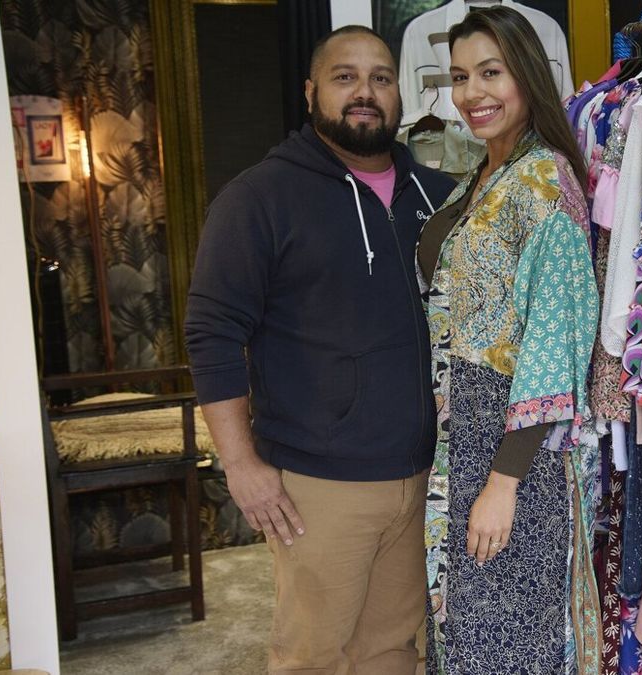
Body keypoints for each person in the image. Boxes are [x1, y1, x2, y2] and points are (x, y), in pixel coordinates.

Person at [184, 25, 454, 674]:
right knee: (312, 655)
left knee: (394, 649)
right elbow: (212, 330)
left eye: (381, 78)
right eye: (345, 77)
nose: (366, 92)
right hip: (317, 483)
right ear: (311, 92)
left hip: (423, 474)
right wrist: (242, 464)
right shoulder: (260, 198)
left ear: (399, 94)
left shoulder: (438, 198)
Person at [416, 6, 601, 673]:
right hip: (459, 435)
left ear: (525, 75)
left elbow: (556, 343)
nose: (472, 93)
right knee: (464, 631)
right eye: (461, 76)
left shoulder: (546, 181)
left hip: (512, 449)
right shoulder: (485, 175)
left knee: (508, 640)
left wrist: (504, 481)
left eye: (491, 72)